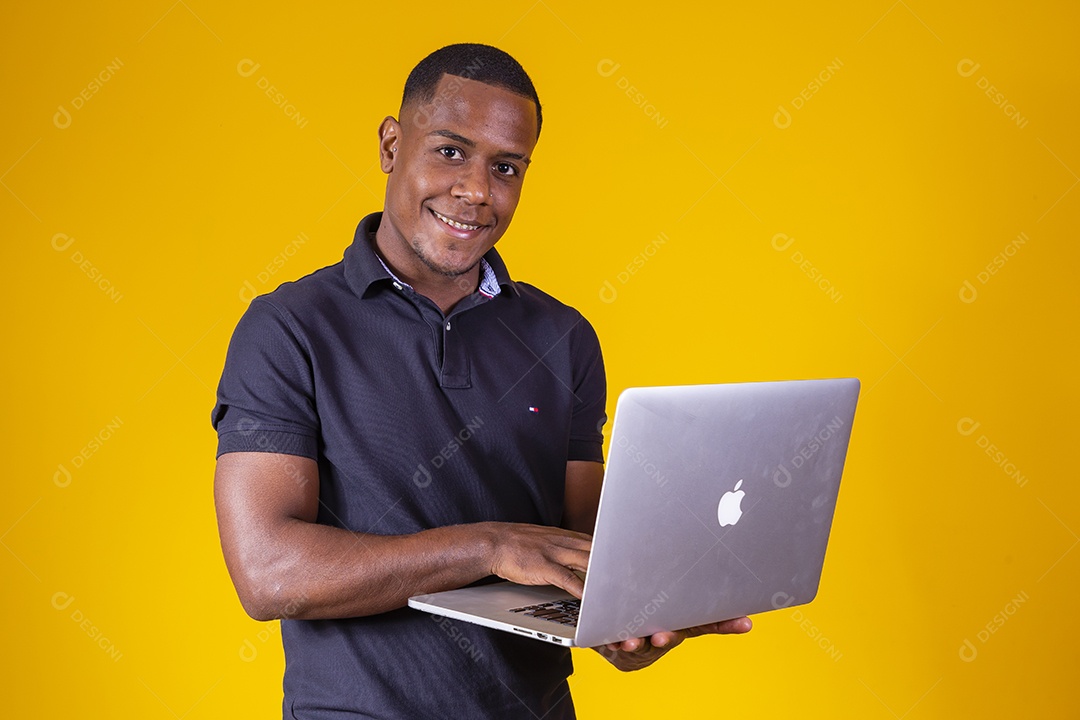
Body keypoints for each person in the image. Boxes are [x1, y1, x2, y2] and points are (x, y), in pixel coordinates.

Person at [212, 43, 751, 719]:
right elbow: (268, 575)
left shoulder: (565, 338)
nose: (476, 191)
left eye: (506, 167)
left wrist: (635, 621)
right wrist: (490, 545)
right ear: (390, 144)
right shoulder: (289, 328)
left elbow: (581, 560)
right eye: (449, 151)